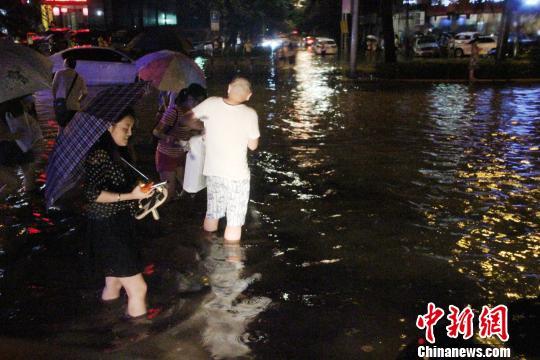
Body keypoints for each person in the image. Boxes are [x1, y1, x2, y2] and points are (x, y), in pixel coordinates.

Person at [84, 108, 154, 319]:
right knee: (138, 289)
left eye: (132, 128)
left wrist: (141, 190)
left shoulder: (118, 153)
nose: (129, 132)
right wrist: (130, 196)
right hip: (108, 227)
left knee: (113, 281)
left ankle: (107, 321)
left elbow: (124, 187)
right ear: (108, 127)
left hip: (117, 223)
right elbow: (92, 194)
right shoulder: (98, 154)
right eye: (125, 127)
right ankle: (139, 338)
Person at [184, 77, 260, 242]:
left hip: (214, 172)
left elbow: (187, 118)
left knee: (213, 212)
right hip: (237, 176)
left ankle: (208, 247)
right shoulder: (250, 114)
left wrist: (204, 128)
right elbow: (253, 146)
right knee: (234, 222)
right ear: (249, 96)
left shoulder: (211, 103)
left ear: (228, 88)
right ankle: (232, 263)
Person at [153, 84, 207, 200]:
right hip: (166, 155)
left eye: (201, 102)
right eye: (197, 101)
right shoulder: (174, 111)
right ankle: (160, 213)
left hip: (180, 154)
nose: (198, 104)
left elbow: (189, 131)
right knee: (169, 192)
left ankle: (177, 207)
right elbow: (156, 132)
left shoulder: (193, 114)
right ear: (189, 98)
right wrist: (168, 138)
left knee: (185, 185)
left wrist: (193, 135)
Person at [0, 96, 43, 195]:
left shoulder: (15, 103)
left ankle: (30, 199)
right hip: (9, 150)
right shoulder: (10, 103)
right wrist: (10, 136)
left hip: (21, 146)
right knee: (13, 184)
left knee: (28, 179)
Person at [52, 57, 88, 128]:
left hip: (62, 106)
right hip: (74, 107)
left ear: (66, 64)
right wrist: (78, 101)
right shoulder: (80, 77)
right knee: (73, 128)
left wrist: (56, 99)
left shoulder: (59, 73)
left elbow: (54, 88)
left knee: (62, 127)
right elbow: (85, 93)